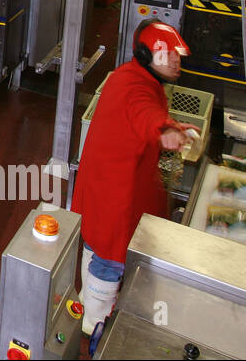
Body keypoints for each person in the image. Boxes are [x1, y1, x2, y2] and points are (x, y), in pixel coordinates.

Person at [71, 20, 197, 341]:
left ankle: (86, 301)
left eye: (177, 55)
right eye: (166, 54)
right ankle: (94, 324)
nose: (175, 61)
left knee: (96, 243)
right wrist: (166, 129)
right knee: (110, 257)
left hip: (104, 182)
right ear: (144, 54)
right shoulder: (136, 87)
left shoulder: (128, 75)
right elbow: (145, 115)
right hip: (117, 192)